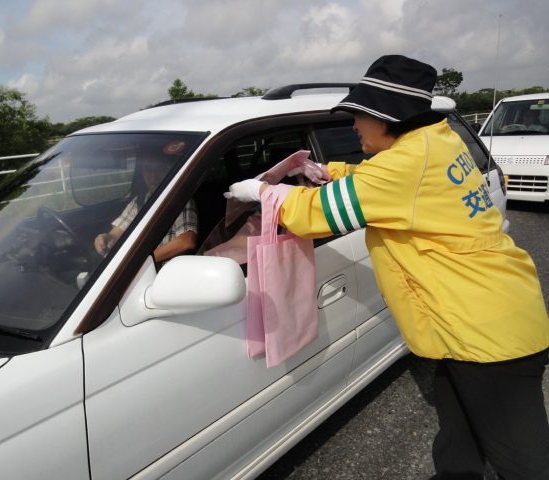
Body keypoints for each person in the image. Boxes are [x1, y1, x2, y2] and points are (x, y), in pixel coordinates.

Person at [225, 55, 549, 479]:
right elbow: (381, 178)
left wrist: (264, 192)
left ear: (387, 117)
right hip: (486, 314)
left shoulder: (405, 166)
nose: (354, 125)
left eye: (360, 115)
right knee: (458, 429)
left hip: (488, 333)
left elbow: (313, 215)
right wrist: (327, 169)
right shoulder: (436, 141)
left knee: (523, 461)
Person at [94, 145, 198, 263]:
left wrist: (139, 260)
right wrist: (105, 238)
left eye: (160, 169)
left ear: (170, 171)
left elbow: (187, 241)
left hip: (165, 272)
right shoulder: (140, 201)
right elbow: (116, 234)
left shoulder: (179, 200)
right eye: (148, 169)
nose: (153, 176)